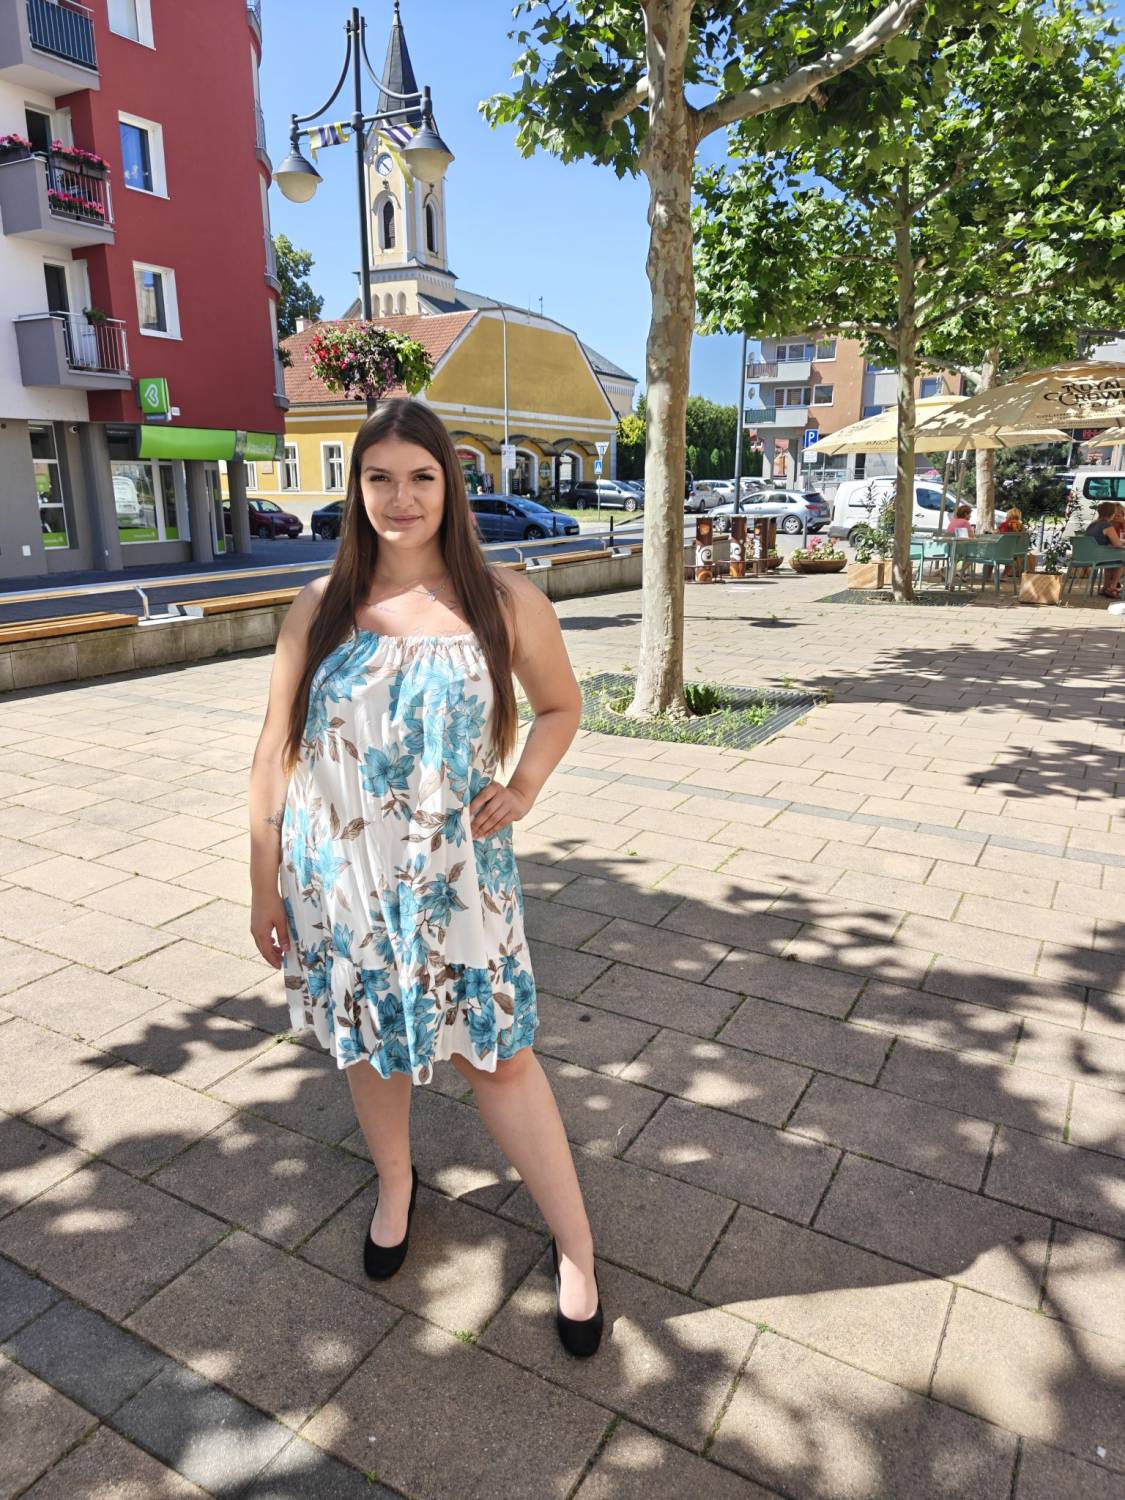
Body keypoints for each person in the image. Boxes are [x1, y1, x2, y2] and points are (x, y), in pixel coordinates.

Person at [248, 398, 603, 1358]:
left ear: (451, 485)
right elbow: (274, 749)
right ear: (356, 488)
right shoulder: (320, 606)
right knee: (370, 1047)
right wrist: (263, 882)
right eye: (378, 478)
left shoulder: (503, 600)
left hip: (456, 878)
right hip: (340, 880)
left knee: (499, 1056)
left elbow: (561, 706)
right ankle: (397, 1187)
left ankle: (575, 1247)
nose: (399, 498)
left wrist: (523, 786)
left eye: (420, 478)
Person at [1085, 500, 1124, 599]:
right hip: (1098, 557)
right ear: (1112, 513)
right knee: (1122, 559)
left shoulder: (1092, 524)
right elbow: (1118, 544)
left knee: (1113, 557)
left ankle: (1106, 587)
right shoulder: (1107, 525)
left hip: (1086, 556)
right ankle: (1112, 587)